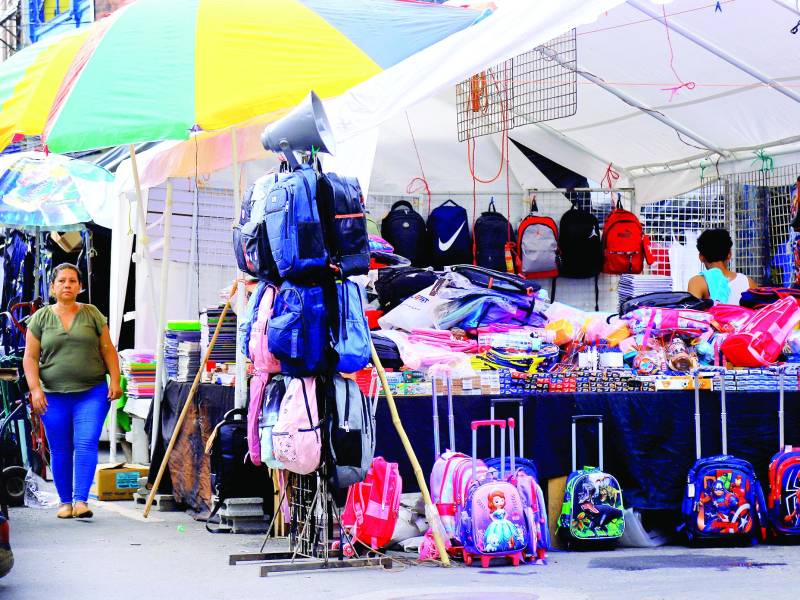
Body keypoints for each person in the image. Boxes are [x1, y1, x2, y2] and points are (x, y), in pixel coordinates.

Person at [22, 263, 122, 519]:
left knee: (86, 441)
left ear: (80, 286)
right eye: (62, 281)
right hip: (52, 394)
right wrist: (35, 389)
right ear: (53, 287)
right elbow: (30, 358)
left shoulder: (92, 314)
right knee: (60, 447)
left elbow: (108, 349)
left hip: (91, 392)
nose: (67, 285)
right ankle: (65, 502)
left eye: (73, 281)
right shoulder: (40, 318)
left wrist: (115, 380)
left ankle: (81, 501)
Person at [687, 229, 755, 305]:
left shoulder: (697, 282)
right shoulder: (748, 282)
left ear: (701, 257)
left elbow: (691, 314)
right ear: (729, 254)